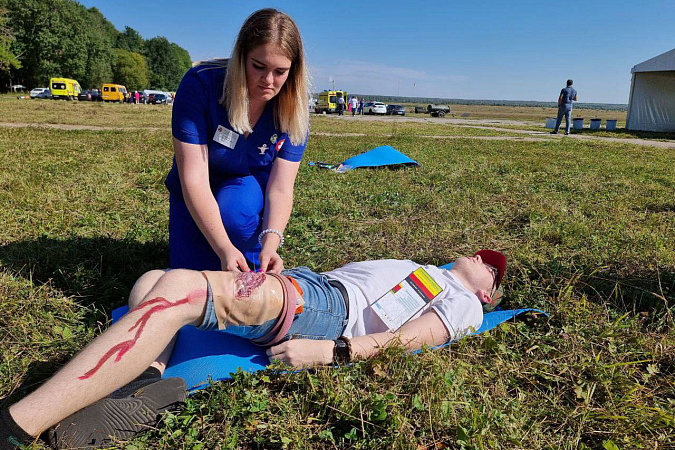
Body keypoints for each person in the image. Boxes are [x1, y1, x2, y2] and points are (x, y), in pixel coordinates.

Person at [1, 250, 506, 449]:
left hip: (327, 311)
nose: (480, 255)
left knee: (177, 287)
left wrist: (337, 353)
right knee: (153, 278)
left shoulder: (466, 304)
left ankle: (15, 426)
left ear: (488, 290)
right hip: (309, 287)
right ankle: (145, 378)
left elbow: (413, 338)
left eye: (489, 263)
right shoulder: (434, 270)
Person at [166, 8, 310, 274]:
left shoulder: (293, 111)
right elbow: (194, 178)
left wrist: (271, 241)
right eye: (258, 66)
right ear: (240, 57)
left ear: (293, 71)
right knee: (189, 274)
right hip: (198, 182)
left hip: (245, 184)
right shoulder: (200, 84)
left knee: (236, 219)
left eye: (280, 71)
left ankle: (247, 245)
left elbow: (280, 188)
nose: (268, 81)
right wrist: (223, 247)